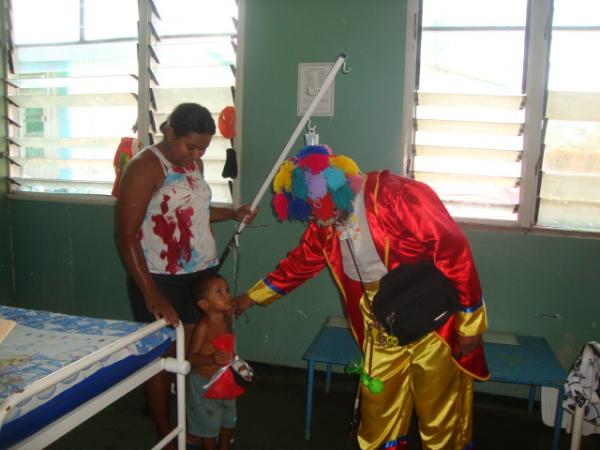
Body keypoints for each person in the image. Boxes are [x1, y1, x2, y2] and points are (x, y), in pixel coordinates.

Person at [234, 144, 489, 450]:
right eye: (310, 212)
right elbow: (300, 263)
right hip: (379, 325)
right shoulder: (323, 225)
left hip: (432, 321)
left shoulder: (397, 196)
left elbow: (455, 252)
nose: (317, 219)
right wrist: (249, 298)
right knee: (378, 412)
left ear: (336, 185)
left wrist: (471, 323)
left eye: (319, 206)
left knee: (440, 416)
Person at [115, 103, 255, 448]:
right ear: (170, 132)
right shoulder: (145, 167)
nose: (196, 155)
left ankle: (196, 424)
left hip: (201, 276)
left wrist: (233, 213)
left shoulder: (194, 164)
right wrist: (151, 293)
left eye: (204, 148)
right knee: (163, 361)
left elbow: (197, 211)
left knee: (198, 356)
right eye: (190, 146)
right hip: (159, 279)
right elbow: (126, 234)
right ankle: (165, 431)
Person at [187, 273, 245, 450]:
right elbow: (191, 358)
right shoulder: (203, 327)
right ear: (204, 304)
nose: (227, 295)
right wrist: (211, 359)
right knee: (208, 425)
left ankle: (225, 446)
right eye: (219, 292)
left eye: (227, 290)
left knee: (229, 417)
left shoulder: (226, 319)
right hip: (204, 384)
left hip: (225, 380)